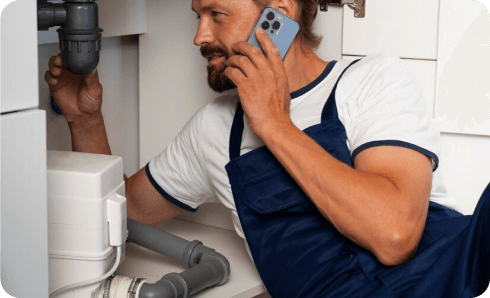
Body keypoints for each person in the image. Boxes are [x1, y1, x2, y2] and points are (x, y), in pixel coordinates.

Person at [45, 0, 490, 297]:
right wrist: (85, 118)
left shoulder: (373, 81)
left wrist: (275, 124)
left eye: (216, 14)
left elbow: (394, 235)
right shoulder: (215, 129)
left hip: (460, 274)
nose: (199, 36)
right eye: (196, 16)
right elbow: (118, 216)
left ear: (278, 13)